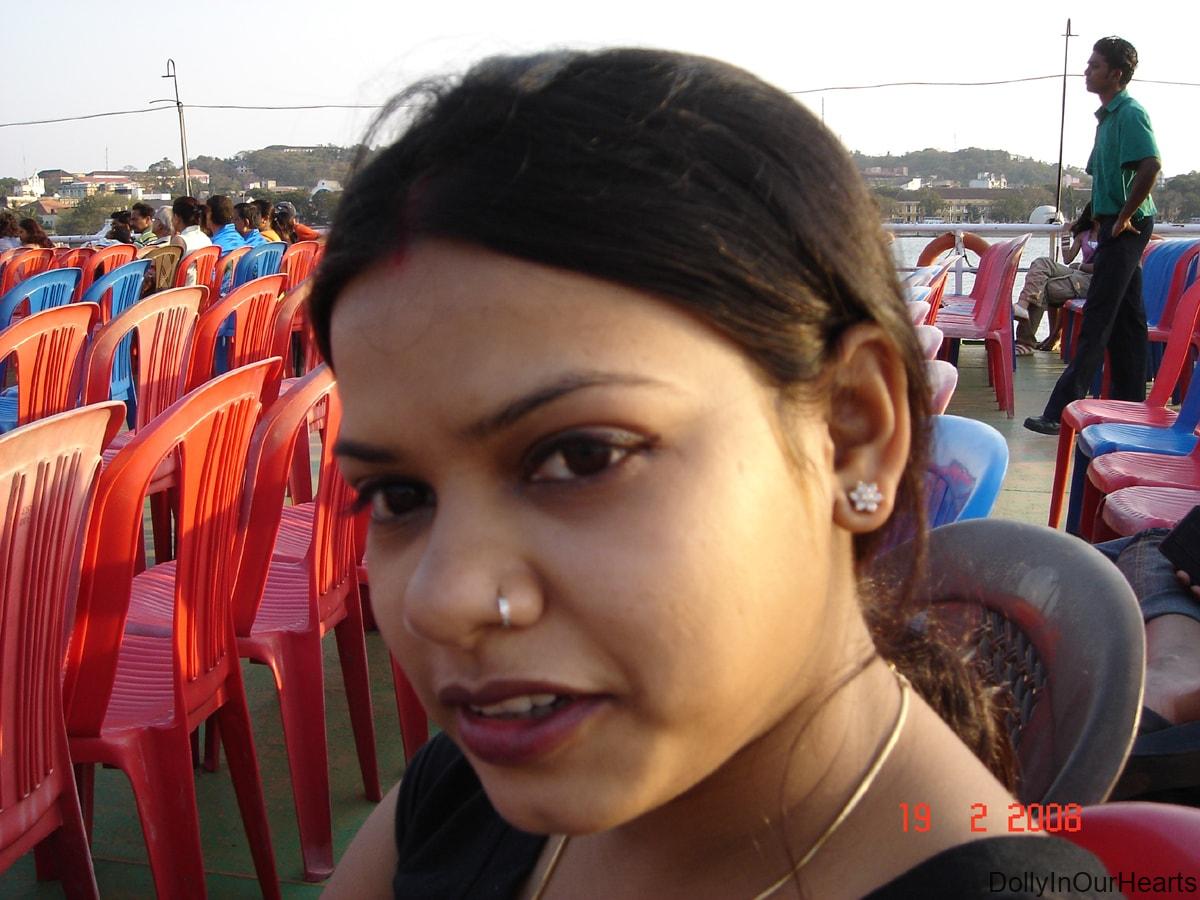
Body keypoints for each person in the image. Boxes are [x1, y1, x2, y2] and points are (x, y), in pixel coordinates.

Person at [313, 49, 1107, 899]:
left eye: (580, 457)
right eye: (399, 497)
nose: (442, 600)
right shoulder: (456, 796)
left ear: (850, 435)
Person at [1025, 36, 1161, 436]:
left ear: (1115, 74)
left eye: (1095, 65)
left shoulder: (1130, 113)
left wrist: (1123, 217)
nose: (1086, 71)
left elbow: (1150, 165)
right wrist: (1086, 220)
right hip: (1115, 222)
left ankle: (1059, 410)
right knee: (1128, 321)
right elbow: (1105, 181)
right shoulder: (1107, 118)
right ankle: (1130, 405)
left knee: (1099, 316)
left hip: (1129, 226)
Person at [1014, 205, 1099, 355]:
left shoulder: (1111, 235)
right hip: (1077, 273)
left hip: (1093, 279)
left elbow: (1104, 266)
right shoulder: (1084, 235)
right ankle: (1022, 304)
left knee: (1043, 288)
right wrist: (1065, 233)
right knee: (1042, 262)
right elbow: (1067, 259)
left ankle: (1025, 342)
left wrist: (1080, 266)